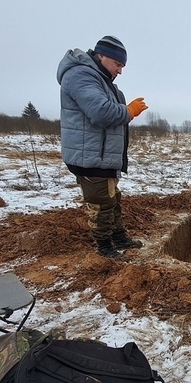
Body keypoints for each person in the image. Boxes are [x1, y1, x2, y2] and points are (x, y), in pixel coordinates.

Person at [57, 35, 148, 258]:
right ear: (101, 56)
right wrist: (129, 111)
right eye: (118, 64)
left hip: (101, 156)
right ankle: (105, 247)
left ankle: (118, 237)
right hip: (90, 157)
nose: (120, 71)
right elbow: (101, 112)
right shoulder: (81, 75)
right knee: (101, 204)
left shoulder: (101, 80)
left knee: (112, 199)